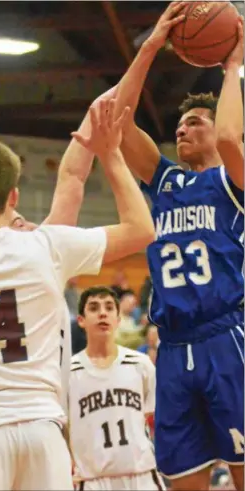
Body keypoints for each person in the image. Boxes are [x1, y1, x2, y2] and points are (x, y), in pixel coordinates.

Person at [0, 97, 155, 490]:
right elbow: (142, 229)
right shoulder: (48, 246)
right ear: (14, 198)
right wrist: (111, 155)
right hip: (41, 434)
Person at [103, 4, 244, 490]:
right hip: (172, 347)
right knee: (182, 480)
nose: (183, 129)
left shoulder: (233, 182)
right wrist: (150, 46)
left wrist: (231, 67)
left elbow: (229, 135)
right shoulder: (164, 182)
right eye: (180, 126)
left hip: (226, 338)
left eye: (195, 123)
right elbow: (118, 124)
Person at [69, 286, 163, 491]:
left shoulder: (141, 364)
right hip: (92, 479)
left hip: (142, 476)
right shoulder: (67, 371)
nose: (103, 313)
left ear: (118, 319)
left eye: (109, 308)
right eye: (94, 308)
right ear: (81, 320)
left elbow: (155, 418)